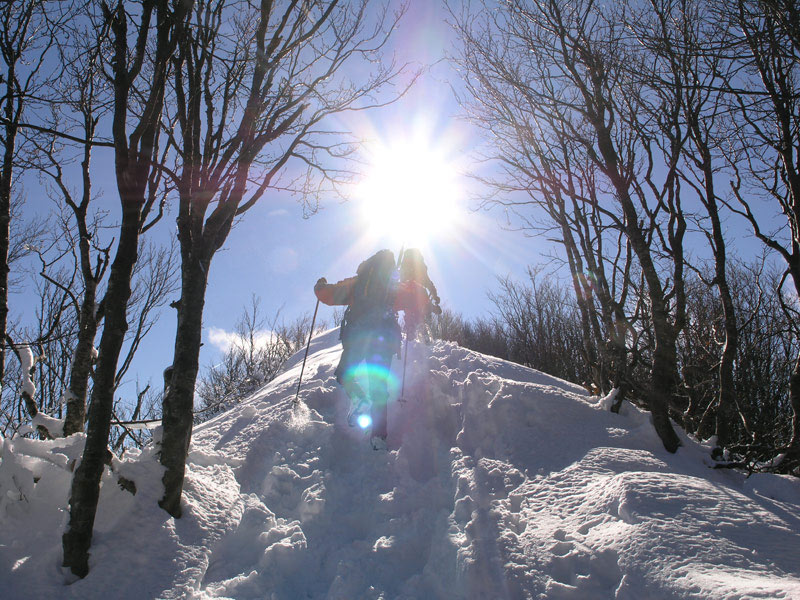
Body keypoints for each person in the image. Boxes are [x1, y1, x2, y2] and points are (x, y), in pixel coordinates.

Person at [314, 249, 441, 449]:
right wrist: (431, 303)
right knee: (379, 388)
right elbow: (419, 296)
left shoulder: (357, 283)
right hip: (385, 341)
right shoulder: (394, 287)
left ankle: (359, 398)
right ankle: (378, 438)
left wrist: (320, 285)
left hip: (359, 336)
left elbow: (326, 295)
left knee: (344, 374)